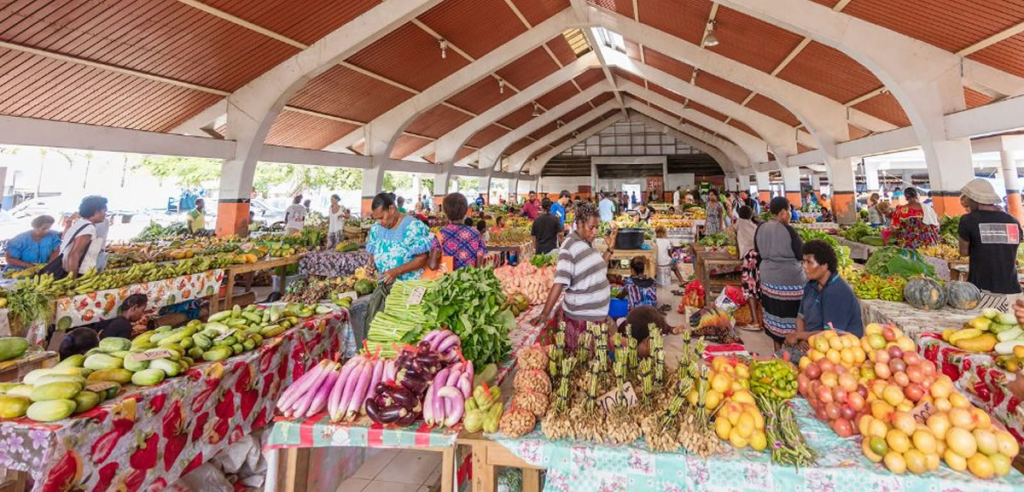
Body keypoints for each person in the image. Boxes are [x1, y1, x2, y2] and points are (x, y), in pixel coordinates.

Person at [532, 202, 617, 350]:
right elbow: (559, 282)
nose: (595, 232)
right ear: (579, 224)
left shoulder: (586, 243)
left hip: (595, 316)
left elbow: (597, 268)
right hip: (582, 321)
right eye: (591, 227)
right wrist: (545, 313)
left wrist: (610, 248)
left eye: (597, 227)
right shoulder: (569, 246)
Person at [784, 240, 864, 353]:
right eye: (803, 262)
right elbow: (800, 318)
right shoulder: (811, 285)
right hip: (811, 341)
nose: (804, 267)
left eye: (809, 262)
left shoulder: (837, 292)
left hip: (837, 349)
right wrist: (801, 339)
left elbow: (832, 334)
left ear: (824, 266)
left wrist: (799, 336)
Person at [755, 197, 806, 349]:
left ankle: (778, 350)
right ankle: (794, 353)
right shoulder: (788, 229)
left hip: (768, 278)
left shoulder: (761, 227)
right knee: (792, 316)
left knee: (773, 313)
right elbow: (800, 254)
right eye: (789, 211)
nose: (790, 214)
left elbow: (758, 251)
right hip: (790, 280)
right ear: (783, 212)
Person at [958, 178, 1022, 294]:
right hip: (1011, 287)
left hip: (981, 288)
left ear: (973, 200)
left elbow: (963, 252)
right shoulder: (1012, 220)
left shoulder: (968, 220)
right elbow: (1012, 247)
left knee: (985, 313)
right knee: (1006, 313)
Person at [366, 193, 433, 283]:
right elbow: (372, 253)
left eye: (382, 218)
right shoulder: (376, 228)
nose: (379, 222)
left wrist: (396, 271)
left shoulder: (413, 227)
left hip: (408, 286)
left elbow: (422, 258)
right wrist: (371, 264)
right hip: (384, 284)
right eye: (377, 219)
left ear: (391, 209)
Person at [437, 194, 487, 270]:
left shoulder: (440, 234)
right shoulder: (475, 234)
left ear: (445, 212)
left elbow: (433, 264)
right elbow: (479, 259)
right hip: (469, 279)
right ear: (466, 211)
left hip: (446, 279)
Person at [61, 196, 109, 276]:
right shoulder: (88, 228)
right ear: (97, 211)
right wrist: (73, 279)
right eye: (104, 211)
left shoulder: (80, 223)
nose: (105, 214)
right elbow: (74, 254)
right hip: (77, 272)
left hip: (68, 269)